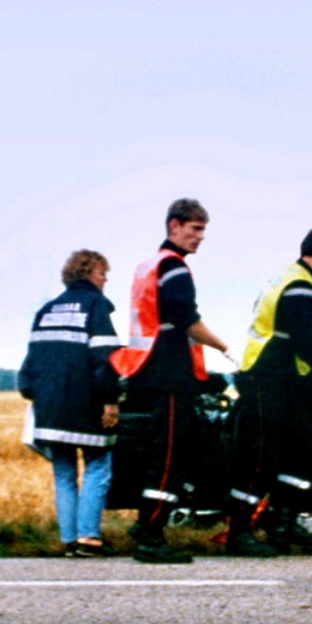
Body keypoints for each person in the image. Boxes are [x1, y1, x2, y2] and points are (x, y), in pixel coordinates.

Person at [226, 228, 312, 555]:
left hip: (275, 376)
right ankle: (239, 532)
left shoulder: (288, 278)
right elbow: (304, 341)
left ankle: (282, 524)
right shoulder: (302, 286)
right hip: (265, 375)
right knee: (259, 454)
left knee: (301, 451)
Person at [110, 198, 231, 564]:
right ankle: (151, 535)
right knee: (170, 454)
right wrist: (225, 347)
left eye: (202, 231)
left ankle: (145, 524)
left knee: (158, 450)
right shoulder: (175, 268)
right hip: (171, 371)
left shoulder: (150, 265)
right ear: (174, 226)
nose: (200, 238)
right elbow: (186, 321)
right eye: (195, 229)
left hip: (147, 369)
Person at [19, 249, 123, 556]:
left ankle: (68, 541)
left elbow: (29, 368)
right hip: (86, 404)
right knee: (98, 466)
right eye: (103, 274)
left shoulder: (46, 310)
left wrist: (36, 395)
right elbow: (105, 359)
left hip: (49, 408)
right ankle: (88, 538)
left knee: (63, 472)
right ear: (90, 273)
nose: (105, 281)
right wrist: (110, 400)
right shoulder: (96, 306)